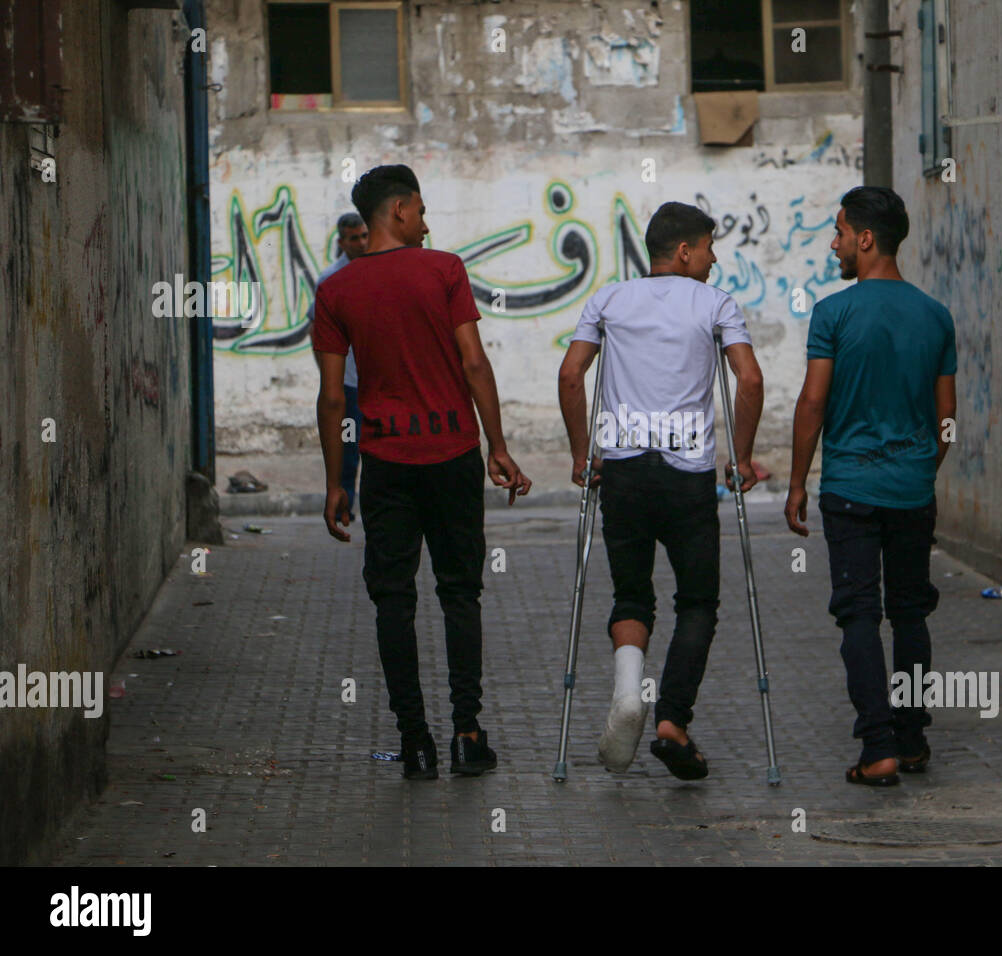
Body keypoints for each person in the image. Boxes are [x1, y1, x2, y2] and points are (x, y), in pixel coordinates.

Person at [312, 164, 531, 780]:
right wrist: (499, 445)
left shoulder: (336, 291)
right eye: (422, 210)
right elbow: (474, 364)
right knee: (460, 592)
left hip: (383, 464)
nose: (428, 224)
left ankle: (415, 742)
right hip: (454, 455)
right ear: (401, 210)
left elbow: (333, 399)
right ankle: (467, 734)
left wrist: (335, 483)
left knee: (392, 600)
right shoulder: (444, 270)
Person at [557, 201, 764, 780]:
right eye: (708, 247)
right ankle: (672, 719)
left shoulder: (608, 299)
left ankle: (628, 693)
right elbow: (748, 378)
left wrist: (582, 453)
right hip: (687, 475)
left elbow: (572, 375)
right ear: (684, 252)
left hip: (622, 470)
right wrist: (741, 457)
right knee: (697, 600)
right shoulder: (716, 303)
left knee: (631, 594)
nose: (714, 258)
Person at [785, 186, 956, 787]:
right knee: (911, 613)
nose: (833, 245)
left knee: (858, 613)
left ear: (865, 238)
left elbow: (813, 402)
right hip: (913, 490)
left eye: (838, 233)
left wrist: (797, 483)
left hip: (851, 488)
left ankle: (877, 745)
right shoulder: (936, 316)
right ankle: (911, 739)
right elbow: (948, 422)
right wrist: (924, 468)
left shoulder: (833, 314)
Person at [308, 212, 369, 520]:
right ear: (341, 242)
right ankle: (345, 507)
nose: (359, 243)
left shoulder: (380, 270)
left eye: (363, 236)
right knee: (347, 450)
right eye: (353, 238)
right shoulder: (330, 280)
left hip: (378, 380)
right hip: (348, 382)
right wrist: (328, 373)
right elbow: (315, 327)